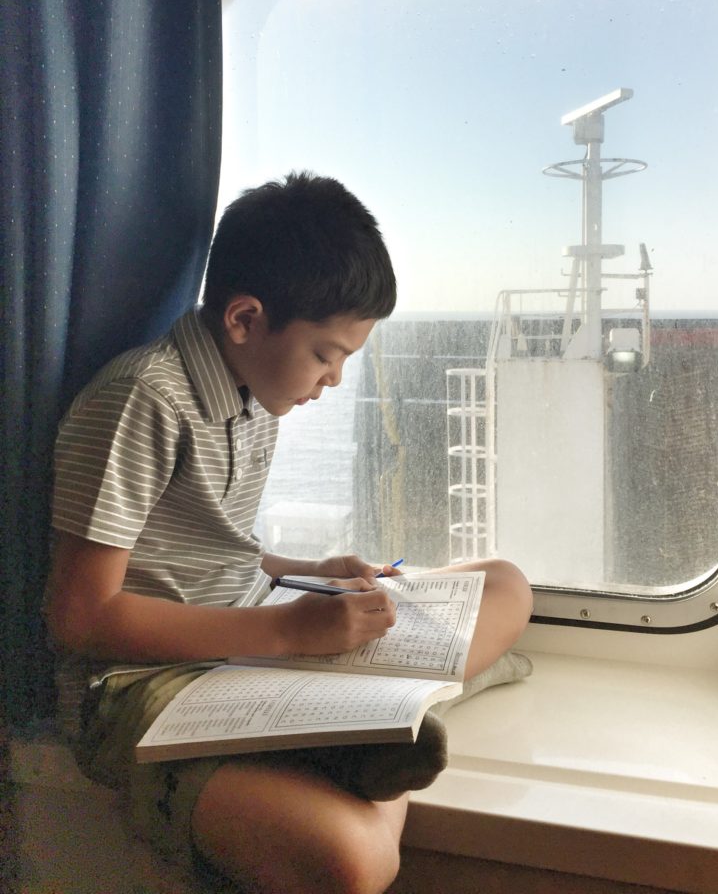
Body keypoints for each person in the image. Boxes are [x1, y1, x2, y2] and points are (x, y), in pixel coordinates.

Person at [44, 172, 533, 894]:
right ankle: (358, 741)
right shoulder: (142, 399)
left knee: (506, 583)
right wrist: (288, 635)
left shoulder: (255, 400)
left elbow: (209, 552)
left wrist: (309, 569)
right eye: (326, 355)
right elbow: (81, 616)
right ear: (244, 320)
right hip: (140, 681)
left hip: (253, 636)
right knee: (353, 863)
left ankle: (347, 733)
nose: (333, 380)